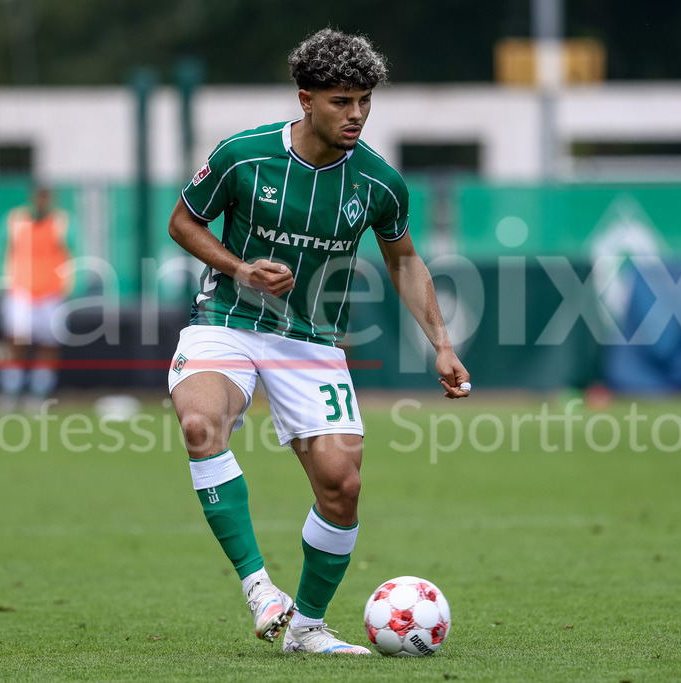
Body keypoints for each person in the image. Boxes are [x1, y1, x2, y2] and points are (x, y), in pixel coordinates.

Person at [167, 28, 471, 655]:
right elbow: (182, 221)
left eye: (364, 100)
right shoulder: (243, 156)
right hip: (226, 321)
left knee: (343, 486)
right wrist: (240, 268)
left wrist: (441, 343)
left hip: (311, 342)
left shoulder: (380, 183)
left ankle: (305, 626)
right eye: (341, 101)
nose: (356, 114)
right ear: (306, 99)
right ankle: (260, 591)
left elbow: (405, 262)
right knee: (201, 425)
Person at [0, 186, 73, 410]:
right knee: (16, 339)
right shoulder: (15, 220)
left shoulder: (62, 222)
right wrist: (1, 279)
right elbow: (1, 249)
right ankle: (10, 390)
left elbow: (74, 252)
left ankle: (39, 392)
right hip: (20, 289)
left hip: (51, 292)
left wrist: (72, 286)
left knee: (49, 343)